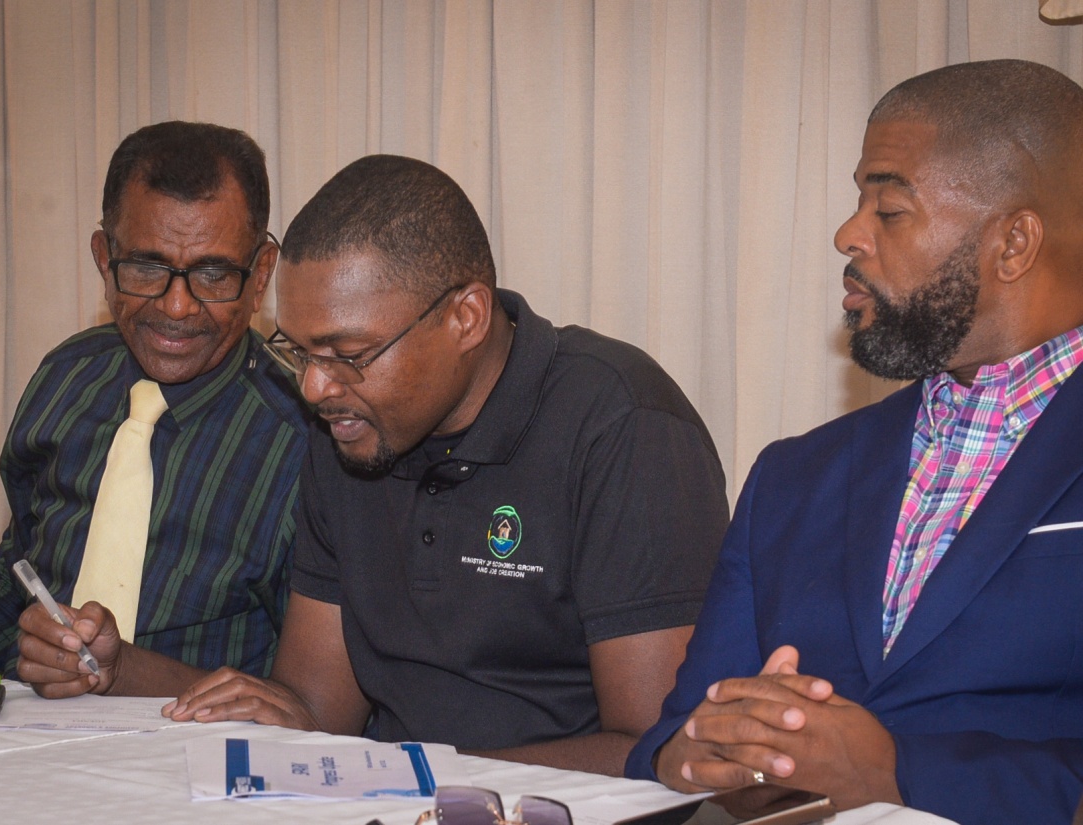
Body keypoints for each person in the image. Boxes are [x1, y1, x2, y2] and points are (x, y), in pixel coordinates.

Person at [149, 154, 729, 777]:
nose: (315, 387)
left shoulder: (621, 425)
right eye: (300, 351)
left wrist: (408, 776)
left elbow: (657, 749)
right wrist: (271, 715)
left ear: (466, 318)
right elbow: (319, 710)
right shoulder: (350, 423)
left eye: (349, 352)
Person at [626, 59, 1083, 823]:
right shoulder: (792, 475)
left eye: (890, 209)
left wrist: (902, 772)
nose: (847, 235)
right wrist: (692, 752)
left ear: (1013, 244)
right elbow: (675, 731)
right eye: (856, 200)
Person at [0, 122, 309, 697]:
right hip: (30, 738)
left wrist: (130, 676)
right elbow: (15, 585)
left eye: (213, 273)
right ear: (103, 258)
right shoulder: (67, 380)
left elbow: (304, 704)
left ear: (259, 277)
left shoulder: (307, 436)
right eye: (146, 268)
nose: (177, 307)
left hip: (201, 760)